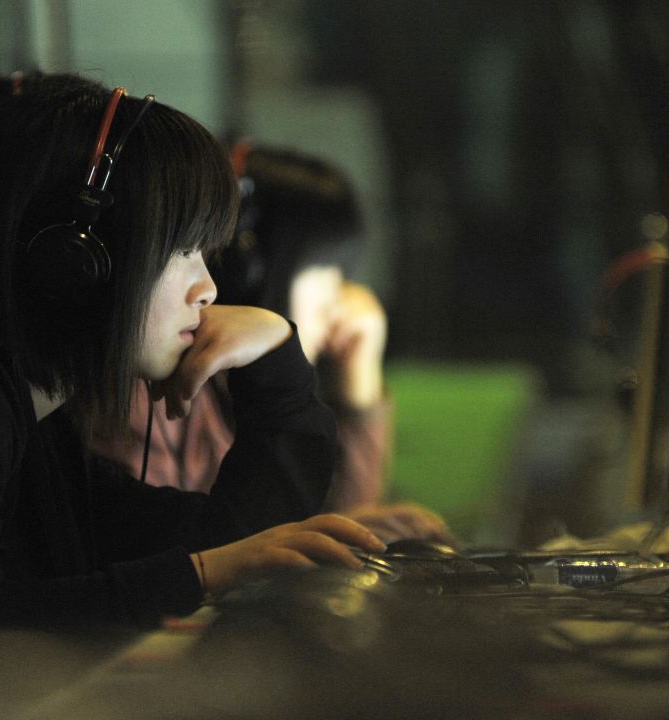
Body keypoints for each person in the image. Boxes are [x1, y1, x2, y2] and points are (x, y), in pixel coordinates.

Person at [0, 71, 386, 670]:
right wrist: (201, 575)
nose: (209, 287)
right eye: (183, 250)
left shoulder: (39, 431)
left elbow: (244, 536)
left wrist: (277, 361)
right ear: (78, 260)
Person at [89, 142, 450, 542]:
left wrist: (358, 383)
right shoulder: (149, 393)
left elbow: (339, 554)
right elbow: (168, 564)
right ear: (248, 272)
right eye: (324, 271)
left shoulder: (261, 398)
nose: (342, 301)